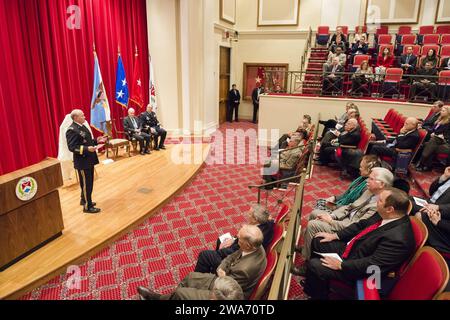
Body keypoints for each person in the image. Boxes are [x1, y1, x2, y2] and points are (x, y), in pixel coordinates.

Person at [301, 187, 415, 300]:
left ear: (390, 209)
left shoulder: (399, 239)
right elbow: (361, 225)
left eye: (380, 200)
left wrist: (341, 265)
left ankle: (317, 295)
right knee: (318, 241)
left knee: (315, 265)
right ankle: (317, 283)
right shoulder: (386, 214)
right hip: (355, 249)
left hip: (363, 270)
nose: (376, 202)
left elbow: (373, 264)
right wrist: (335, 236)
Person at [292, 167, 394, 272]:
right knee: (315, 213)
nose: (367, 181)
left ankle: (307, 263)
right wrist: (332, 216)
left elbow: (356, 226)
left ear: (382, 184)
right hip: (345, 218)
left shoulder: (381, 205)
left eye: (371, 179)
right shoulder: (370, 191)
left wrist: (331, 221)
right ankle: (307, 248)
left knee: (313, 225)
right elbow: (350, 206)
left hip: (348, 227)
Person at [137, 225, 267, 300]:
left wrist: (221, 274)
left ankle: (159, 298)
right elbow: (231, 257)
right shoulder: (255, 245)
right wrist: (221, 267)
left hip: (226, 294)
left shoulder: (246, 268)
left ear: (248, 245)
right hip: (226, 278)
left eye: (239, 239)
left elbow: (227, 288)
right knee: (190, 277)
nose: (236, 240)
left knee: (180, 293)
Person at [194, 204, 274, 274]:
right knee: (220, 239)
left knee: (205, 255)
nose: (247, 215)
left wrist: (220, 252)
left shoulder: (253, 236)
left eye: (249, 214)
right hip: (239, 249)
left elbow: (236, 251)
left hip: (234, 261)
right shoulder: (266, 223)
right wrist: (234, 239)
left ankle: (201, 276)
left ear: (255, 219)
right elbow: (271, 219)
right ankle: (213, 269)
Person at [66, 109, 106, 214]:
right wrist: (87, 149)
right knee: (86, 184)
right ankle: (87, 207)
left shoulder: (81, 126)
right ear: (75, 117)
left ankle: (85, 200)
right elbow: (72, 147)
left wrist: (97, 140)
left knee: (89, 182)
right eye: (82, 115)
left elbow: (86, 141)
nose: (85, 117)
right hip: (82, 161)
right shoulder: (72, 130)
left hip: (89, 159)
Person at [315, 155, 382, 213]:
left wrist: (335, 206)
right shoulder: (361, 179)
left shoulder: (367, 187)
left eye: (361, 167)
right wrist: (334, 198)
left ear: (369, 170)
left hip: (344, 211)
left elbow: (353, 207)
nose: (359, 168)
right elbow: (347, 194)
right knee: (320, 202)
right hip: (342, 205)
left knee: (318, 209)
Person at [414, 167, 450, 256]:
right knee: (405, 198)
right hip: (430, 203)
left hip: (441, 215)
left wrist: (439, 219)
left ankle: (415, 245)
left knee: (419, 214)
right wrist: (444, 177)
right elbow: (431, 191)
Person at [416, 105, 450, 171]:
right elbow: (433, 129)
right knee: (429, 145)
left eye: (443, 111)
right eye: (441, 110)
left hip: (446, 142)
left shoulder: (449, 122)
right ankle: (425, 165)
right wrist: (432, 132)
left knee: (430, 143)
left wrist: (439, 135)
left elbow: (447, 135)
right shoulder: (439, 120)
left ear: (448, 113)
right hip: (437, 141)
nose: (441, 112)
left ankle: (422, 162)